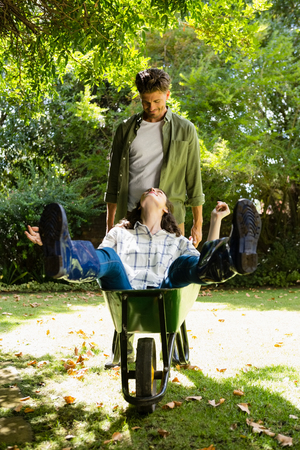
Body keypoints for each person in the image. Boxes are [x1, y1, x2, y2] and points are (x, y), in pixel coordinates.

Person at [25, 189, 261, 290]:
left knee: (186, 264)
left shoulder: (176, 240)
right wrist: (51, 244)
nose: (152, 190)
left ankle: (234, 255)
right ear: (140, 204)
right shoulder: (119, 232)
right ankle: (66, 258)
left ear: (166, 209)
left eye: (159, 191)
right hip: (124, 288)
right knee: (109, 258)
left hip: (165, 289)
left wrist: (215, 219)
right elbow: (97, 263)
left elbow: (203, 265)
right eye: (149, 191)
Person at [104, 68, 205, 248]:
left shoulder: (185, 129)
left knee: (172, 274)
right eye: (146, 102)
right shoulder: (125, 130)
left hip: (171, 220)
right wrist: (109, 227)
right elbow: (113, 183)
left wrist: (198, 224)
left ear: (167, 95)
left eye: (157, 101)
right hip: (129, 220)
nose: (152, 108)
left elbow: (194, 180)